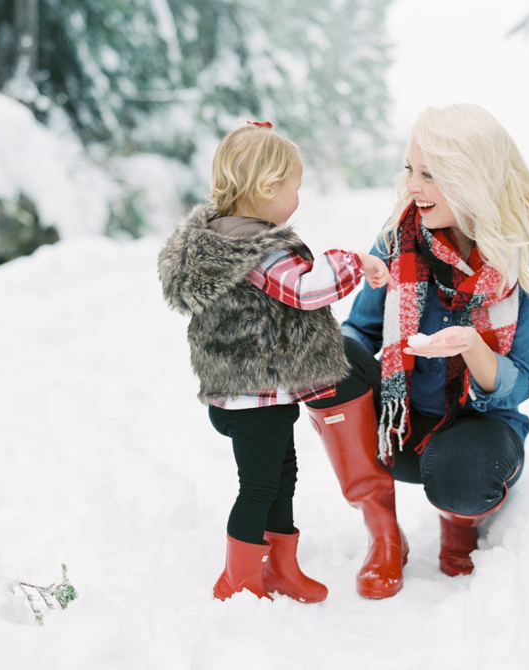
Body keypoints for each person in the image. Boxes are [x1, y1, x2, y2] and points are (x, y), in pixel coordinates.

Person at [306, 104, 529, 598]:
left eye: (429, 174)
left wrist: (472, 347)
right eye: (409, 169)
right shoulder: (399, 235)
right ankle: (384, 533)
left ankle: (460, 524)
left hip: (477, 425)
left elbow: (523, 380)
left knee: (464, 477)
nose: (411, 186)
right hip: (396, 423)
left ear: (473, 178)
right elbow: (361, 329)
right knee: (325, 352)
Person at [157, 122, 395, 603]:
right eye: (296, 186)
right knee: (259, 488)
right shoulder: (255, 249)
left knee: (281, 478)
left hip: (257, 393)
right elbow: (304, 289)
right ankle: (238, 580)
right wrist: (355, 264)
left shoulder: (226, 239)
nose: (298, 198)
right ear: (267, 188)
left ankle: (281, 566)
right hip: (252, 396)